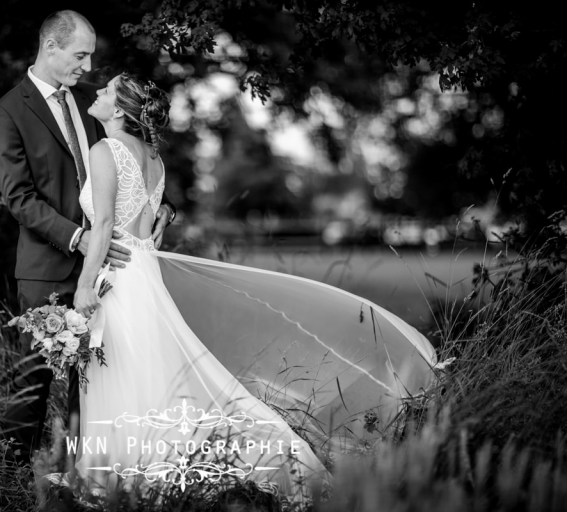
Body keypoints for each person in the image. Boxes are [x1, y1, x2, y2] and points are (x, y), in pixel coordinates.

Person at [48, 72, 437, 502]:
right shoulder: (154, 158)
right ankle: (140, 472)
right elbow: (147, 224)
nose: (97, 93)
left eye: (105, 91)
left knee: (123, 369)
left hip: (117, 278)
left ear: (119, 109)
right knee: (147, 367)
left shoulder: (106, 150)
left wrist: (85, 287)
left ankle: (123, 477)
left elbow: (103, 225)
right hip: (144, 272)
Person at [0, 10, 177, 468]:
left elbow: (131, 171)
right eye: (80, 55)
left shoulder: (95, 103)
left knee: (93, 381)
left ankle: (81, 469)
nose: (88, 67)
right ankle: (13, 474)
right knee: (33, 378)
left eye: (90, 56)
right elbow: (19, 198)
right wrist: (80, 237)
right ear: (51, 46)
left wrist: (163, 210)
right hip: (48, 265)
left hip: (110, 271)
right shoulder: (8, 111)